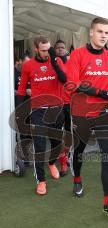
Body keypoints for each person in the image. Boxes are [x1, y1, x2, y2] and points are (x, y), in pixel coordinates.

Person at [66, 17, 108, 216]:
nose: (103, 36)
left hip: (104, 113)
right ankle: (77, 180)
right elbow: (73, 83)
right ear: (91, 32)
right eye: (100, 32)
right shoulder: (77, 55)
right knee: (80, 150)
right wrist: (101, 92)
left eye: (106, 33)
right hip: (81, 111)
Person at [16, 36, 66, 195]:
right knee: (39, 146)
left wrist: (54, 62)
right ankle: (41, 181)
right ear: (36, 49)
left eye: (48, 49)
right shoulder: (28, 66)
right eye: (43, 50)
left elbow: (64, 79)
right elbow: (22, 89)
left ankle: (52, 163)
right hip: (38, 110)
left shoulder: (56, 60)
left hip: (56, 109)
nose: (46, 53)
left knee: (57, 143)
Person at [54, 40, 71, 177]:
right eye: (58, 47)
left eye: (62, 47)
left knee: (69, 133)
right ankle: (63, 161)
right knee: (58, 134)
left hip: (70, 103)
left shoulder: (71, 62)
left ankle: (66, 157)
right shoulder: (53, 62)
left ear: (66, 49)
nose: (60, 49)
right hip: (57, 103)